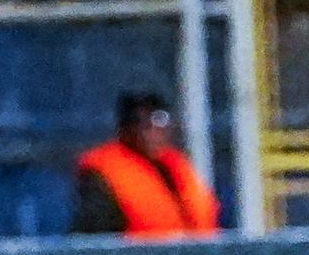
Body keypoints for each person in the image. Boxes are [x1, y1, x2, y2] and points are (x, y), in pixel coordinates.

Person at [71, 89, 217, 236]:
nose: (153, 131)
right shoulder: (103, 175)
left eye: (160, 121)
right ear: (126, 129)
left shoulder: (177, 168)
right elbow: (94, 242)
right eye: (144, 123)